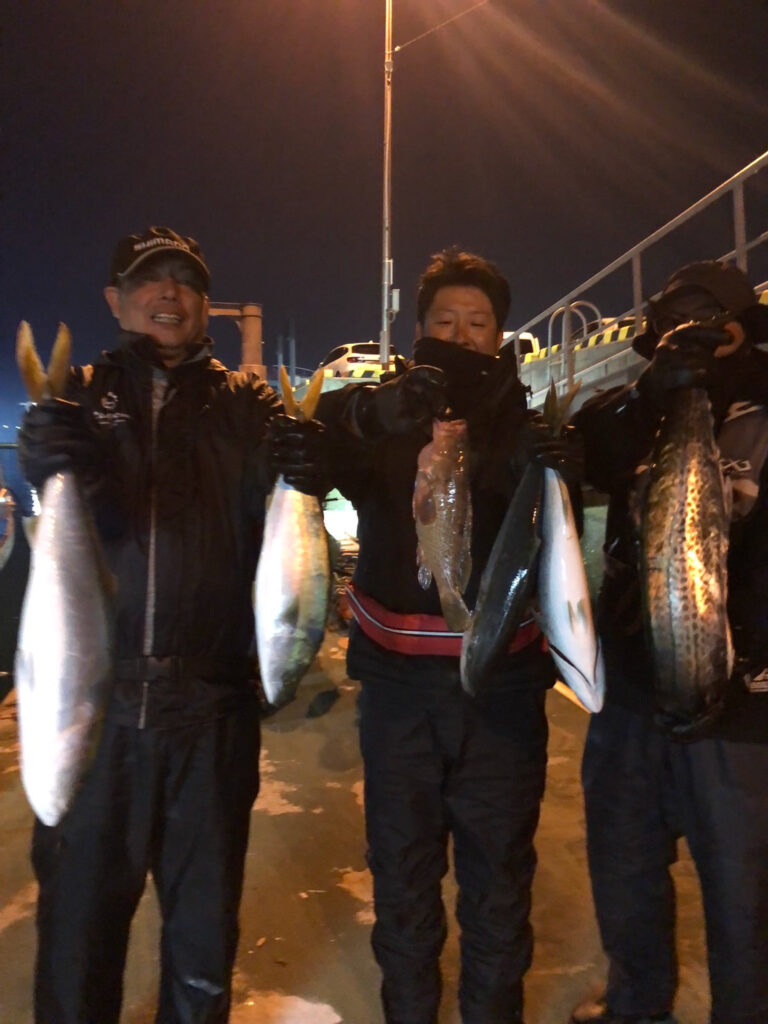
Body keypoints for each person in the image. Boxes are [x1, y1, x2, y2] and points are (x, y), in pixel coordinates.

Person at [16, 225, 324, 1024]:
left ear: (205, 304)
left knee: (202, 942)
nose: (168, 294)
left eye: (185, 281)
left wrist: (309, 466)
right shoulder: (79, 395)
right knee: (77, 937)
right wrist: (43, 462)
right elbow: (49, 533)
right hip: (97, 709)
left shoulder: (249, 406)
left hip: (212, 712)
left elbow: (285, 517)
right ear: (116, 300)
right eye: (149, 280)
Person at [317, 247, 582, 1024]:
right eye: (446, 321)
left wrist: (565, 466)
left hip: (503, 693)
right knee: (402, 878)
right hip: (398, 696)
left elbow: (570, 528)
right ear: (418, 330)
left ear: (500, 335)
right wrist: (370, 413)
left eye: (479, 323)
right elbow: (310, 450)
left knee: (499, 880)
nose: (463, 336)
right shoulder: (386, 415)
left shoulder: (526, 424)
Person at [568, 260, 768, 1024]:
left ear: (744, 329)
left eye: (711, 319)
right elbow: (582, 450)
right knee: (625, 873)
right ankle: (634, 1005)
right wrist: (651, 396)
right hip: (630, 692)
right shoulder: (631, 411)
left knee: (744, 894)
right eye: (675, 322)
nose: (693, 334)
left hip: (746, 708)